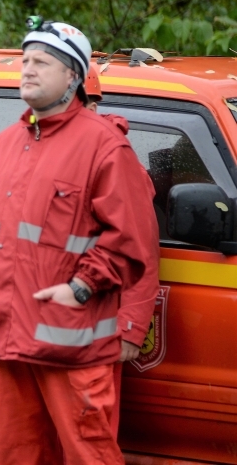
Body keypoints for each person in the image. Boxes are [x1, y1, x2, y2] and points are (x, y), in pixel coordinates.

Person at [0, 18, 159, 465]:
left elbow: (132, 242)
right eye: (25, 60)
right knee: (18, 455)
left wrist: (80, 289)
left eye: (42, 62)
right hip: (8, 342)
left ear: (73, 76)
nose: (28, 69)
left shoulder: (105, 148)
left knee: (88, 455)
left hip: (74, 348)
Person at [83, 64, 161, 440]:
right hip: (41, 329)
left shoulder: (116, 160)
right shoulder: (33, 151)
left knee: (89, 437)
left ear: (92, 106)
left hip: (94, 329)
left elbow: (140, 252)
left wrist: (130, 327)